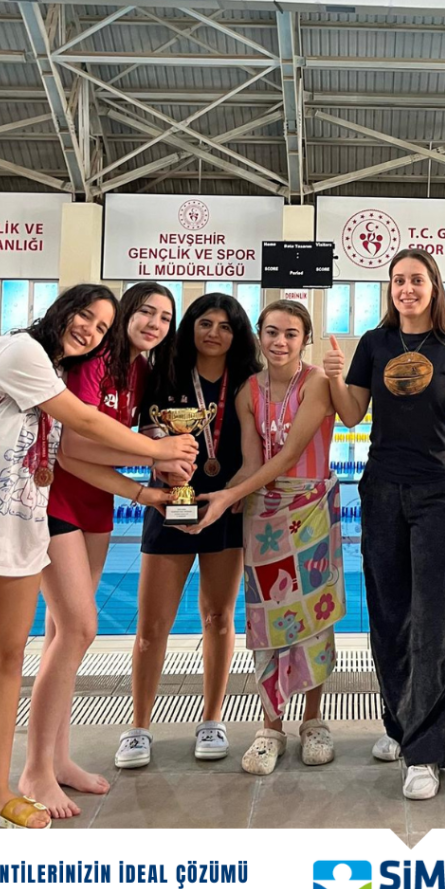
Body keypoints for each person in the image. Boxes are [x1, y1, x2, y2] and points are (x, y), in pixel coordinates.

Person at [0, 285, 196, 845]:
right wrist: (160, 451)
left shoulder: (64, 370)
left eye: (100, 325)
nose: (90, 329)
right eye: (85, 316)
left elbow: (76, 445)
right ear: (61, 311)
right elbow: (83, 423)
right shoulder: (20, 351)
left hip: (21, 530)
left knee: (7, 662)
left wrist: (148, 483)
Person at [323, 248, 445, 800]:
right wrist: (334, 379)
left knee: (435, 619)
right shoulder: (374, 343)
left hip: (439, 491)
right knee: (389, 615)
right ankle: (400, 723)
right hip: (382, 490)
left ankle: (426, 751)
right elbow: (351, 414)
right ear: (389, 289)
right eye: (398, 280)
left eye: (416, 280)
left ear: (434, 287)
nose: (407, 289)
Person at [18, 283, 182, 819]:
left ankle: (57, 758)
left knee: (62, 635)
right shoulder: (95, 362)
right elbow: (72, 447)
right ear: (126, 315)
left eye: (165, 317)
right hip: (57, 500)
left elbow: (123, 437)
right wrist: (151, 463)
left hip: (96, 504)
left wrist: (155, 458)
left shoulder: (141, 372)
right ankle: (34, 771)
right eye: (145, 311)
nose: (154, 323)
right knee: (80, 628)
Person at [182, 300, 343, 774]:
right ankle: (271, 726)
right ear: (259, 335)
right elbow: (253, 463)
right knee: (266, 621)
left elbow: (290, 455)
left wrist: (230, 494)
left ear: (304, 339)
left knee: (314, 618)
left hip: (310, 509)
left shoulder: (317, 383)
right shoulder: (248, 392)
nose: (279, 341)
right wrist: (211, 501)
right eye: (271, 332)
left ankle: (313, 720)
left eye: (291, 333)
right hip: (263, 514)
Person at [114, 293, 261, 770]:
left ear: (237, 335)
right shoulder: (162, 375)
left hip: (226, 509)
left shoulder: (247, 382)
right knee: (150, 627)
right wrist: (156, 448)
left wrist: (231, 496)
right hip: (167, 506)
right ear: (190, 327)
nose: (214, 333)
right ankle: (138, 726)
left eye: (225, 325)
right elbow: (133, 431)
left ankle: (212, 719)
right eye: (205, 323)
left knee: (218, 617)